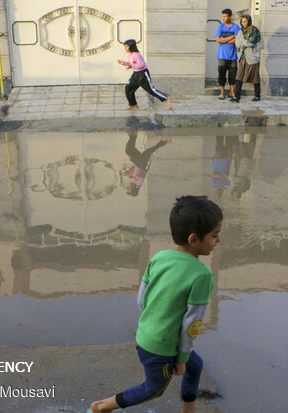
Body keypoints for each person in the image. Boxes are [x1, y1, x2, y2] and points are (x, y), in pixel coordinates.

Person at [87, 195, 223, 413]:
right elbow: (191, 324)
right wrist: (181, 358)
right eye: (214, 235)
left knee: (195, 366)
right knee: (154, 389)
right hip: (162, 346)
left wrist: (155, 320)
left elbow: (142, 298)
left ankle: (189, 410)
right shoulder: (202, 276)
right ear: (193, 239)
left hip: (146, 334)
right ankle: (102, 406)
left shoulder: (159, 257)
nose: (218, 240)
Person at [118, 39, 172, 110]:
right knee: (128, 88)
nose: (125, 48)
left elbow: (141, 65)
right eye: (125, 47)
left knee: (151, 90)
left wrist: (131, 66)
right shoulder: (130, 55)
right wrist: (124, 63)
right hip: (135, 74)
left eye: (127, 47)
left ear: (131, 46)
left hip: (143, 74)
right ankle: (133, 104)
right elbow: (131, 63)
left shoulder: (137, 55)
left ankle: (166, 99)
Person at [120, 130, 171, 196]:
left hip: (138, 163)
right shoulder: (138, 183)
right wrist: (128, 174)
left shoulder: (135, 181)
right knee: (149, 152)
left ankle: (133, 136)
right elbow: (138, 174)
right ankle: (165, 142)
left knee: (129, 151)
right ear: (133, 189)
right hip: (143, 165)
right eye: (129, 189)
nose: (128, 188)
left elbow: (134, 170)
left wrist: (127, 173)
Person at [231, 14, 261, 102]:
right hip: (243, 57)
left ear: (249, 21)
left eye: (245, 21)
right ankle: (237, 96)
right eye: (242, 21)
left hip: (252, 57)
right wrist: (245, 42)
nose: (244, 23)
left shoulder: (254, 30)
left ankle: (257, 95)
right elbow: (237, 43)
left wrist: (243, 41)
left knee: (255, 77)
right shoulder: (241, 31)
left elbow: (252, 42)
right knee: (239, 76)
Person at [214, 8, 241, 100]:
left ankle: (231, 91)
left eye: (225, 16)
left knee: (232, 75)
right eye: (223, 16)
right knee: (221, 74)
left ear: (230, 17)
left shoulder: (236, 27)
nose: (224, 18)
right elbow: (218, 40)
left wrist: (224, 39)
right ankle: (222, 93)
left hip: (232, 56)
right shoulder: (220, 27)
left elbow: (237, 40)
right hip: (221, 55)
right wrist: (231, 37)